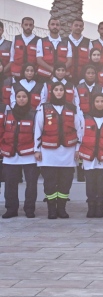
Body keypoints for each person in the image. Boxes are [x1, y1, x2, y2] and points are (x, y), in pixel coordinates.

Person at [34, 82, 84, 219]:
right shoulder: (43, 108)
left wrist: (78, 149)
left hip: (68, 152)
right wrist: (36, 150)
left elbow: (79, 129)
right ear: (52, 92)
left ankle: (61, 209)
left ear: (65, 92)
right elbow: (38, 129)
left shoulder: (72, 108)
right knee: (49, 182)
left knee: (65, 182)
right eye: (56, 89)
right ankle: (51, 209)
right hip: (48, 153)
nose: (59, 92)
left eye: (61, 89)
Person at [0, 90, 38, 218]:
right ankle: (11, 209)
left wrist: (37, 150)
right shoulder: (8, 112)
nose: (21, 99)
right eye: (19, 97)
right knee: (10, 184)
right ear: (15, 98)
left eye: (24, 97)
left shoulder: (34, 113)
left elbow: (37, 133)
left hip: (29, 155)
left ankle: (29, 209)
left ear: (28, 98)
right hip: (10, 155)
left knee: (31, 184)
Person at [78, 92, 103, 218]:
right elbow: (80, 135)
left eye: (102, 101)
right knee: (90, 182)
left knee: (102, 183)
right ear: (93, 103)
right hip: (89, 156)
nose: (99, 104)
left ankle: (100, 206)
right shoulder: (85, 117)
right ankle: (91, 206)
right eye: (97, 101)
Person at [68, 18, 92, 83]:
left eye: (80, 26)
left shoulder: (88, 42)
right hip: (67, 77)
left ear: (83, 28)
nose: (78, 27)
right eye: (76, 25)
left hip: (82, 78)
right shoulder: (64, 41)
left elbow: (90, 61)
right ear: (71, 27)